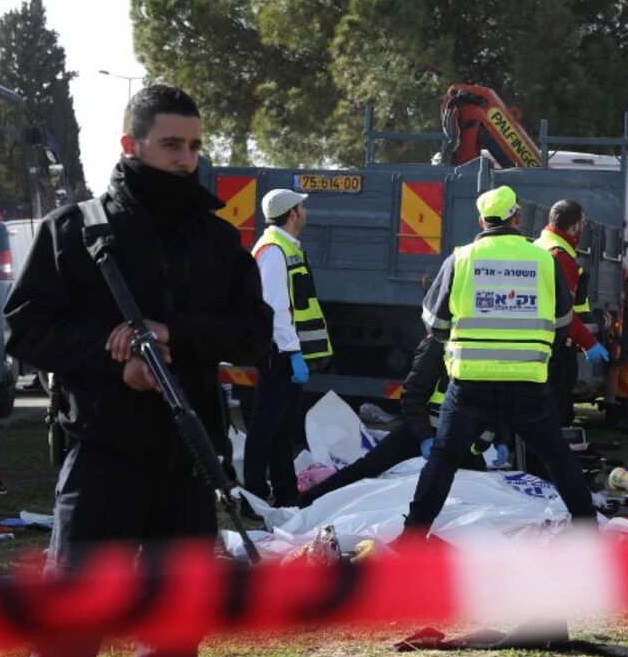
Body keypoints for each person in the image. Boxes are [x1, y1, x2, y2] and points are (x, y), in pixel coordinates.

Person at [5, 84, 272, 657]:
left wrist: (171, 336)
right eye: (171, 145)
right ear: (131, 146)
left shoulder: (218, 239)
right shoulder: (74, 230)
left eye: (194, 146)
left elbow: (252, 335)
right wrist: (108, 354)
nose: (187, 160)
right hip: (101, 454)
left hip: (186, 459)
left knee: (174, 629)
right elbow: (26, 329)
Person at [403, 185, 597, 535]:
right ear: (517, 217)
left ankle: (413, 534)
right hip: (528, 381)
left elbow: (434, 323)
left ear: (481, 220)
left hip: (470, 383)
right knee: (557, 457)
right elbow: (564, 322)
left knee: (444, 459)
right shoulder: (543, 260)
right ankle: (588, 529)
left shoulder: (460, 259)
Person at [295, 333, 490, 508]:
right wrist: (423, 436)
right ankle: (307, 502)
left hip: (460, 439)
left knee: (480, 490)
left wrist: (496, 439)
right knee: (368, 467)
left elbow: (498, 402)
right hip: (423, 432)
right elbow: (413, 394)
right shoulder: (439, 345)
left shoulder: (491, 350)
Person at [245, 187, 332, 506]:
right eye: (301, 207)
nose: (305, 212)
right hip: (277, 353)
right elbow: (276, 308)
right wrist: (293, 352)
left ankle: (285, 492)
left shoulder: (284, 247)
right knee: (264, 427)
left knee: (280, 427)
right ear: (292, 213)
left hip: (283, 351)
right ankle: (251, 496)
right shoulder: (273, 250)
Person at [534, 199, 611, 425]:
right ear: (576, 226)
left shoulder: (540, 246)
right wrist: (588, 342)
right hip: (557, 346)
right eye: (582, 225)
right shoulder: (560, 256)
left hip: (541, 342)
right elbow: (563, 311)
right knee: (558, 412)